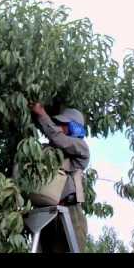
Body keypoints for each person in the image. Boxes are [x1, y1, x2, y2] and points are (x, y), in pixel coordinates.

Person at [29, 102, 89, 253]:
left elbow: (60, 139)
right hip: (46, 211)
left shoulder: (81, 147)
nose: (59, 127)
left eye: (63, 124)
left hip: (70, 211)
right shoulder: (47, 151)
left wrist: (42, 115)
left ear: (74, 128)